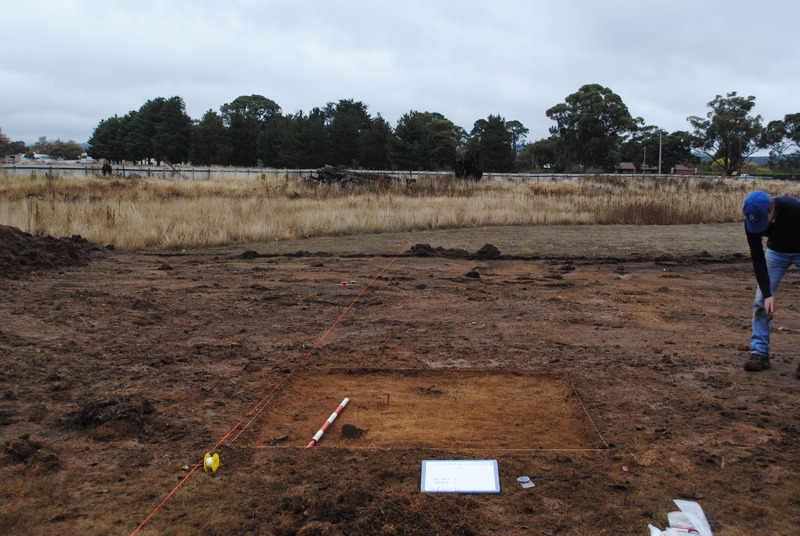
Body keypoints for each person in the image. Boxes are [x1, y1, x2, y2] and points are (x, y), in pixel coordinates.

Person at [742, 191, 800, 375]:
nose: (758, 225)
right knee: (760, 301)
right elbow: (758, 259)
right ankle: (759, 353)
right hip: (776, 253)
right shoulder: (751, 221)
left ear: (772, 208)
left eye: (762, 220)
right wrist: (768, 294)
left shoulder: (794, 209)